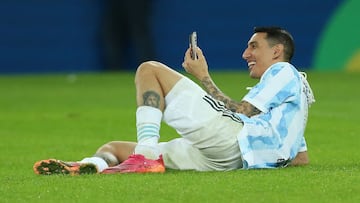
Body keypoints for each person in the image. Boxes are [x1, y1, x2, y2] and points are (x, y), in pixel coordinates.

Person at [33, 26, 315, 175]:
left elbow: (245, 111)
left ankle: (144, 157)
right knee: (114, 148)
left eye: (254, 46)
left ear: (277, 51)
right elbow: (300, 159)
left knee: (149, 69)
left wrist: (203, 76)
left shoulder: (283, 71)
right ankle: (93, 165)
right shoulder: (295, 98)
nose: (245, 54)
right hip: (228, 160)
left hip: (231, 140)